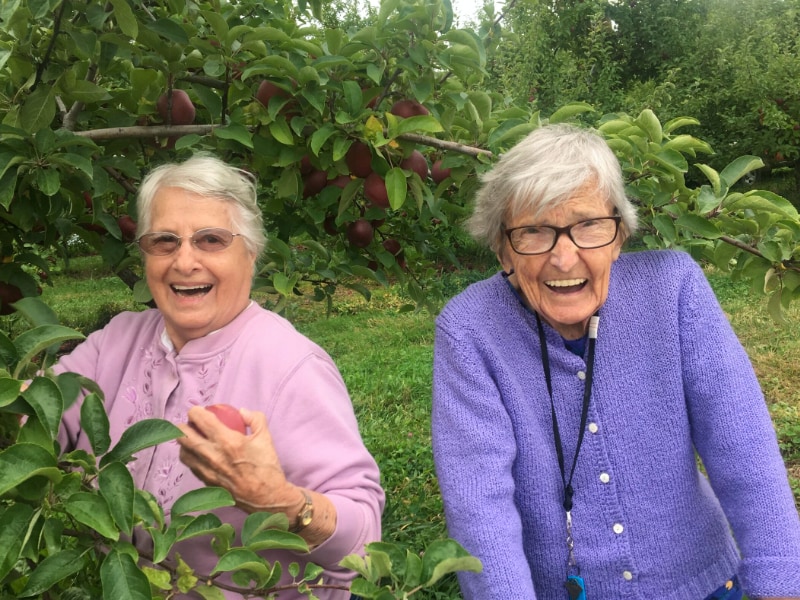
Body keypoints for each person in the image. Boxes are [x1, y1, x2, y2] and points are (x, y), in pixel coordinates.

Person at [431, 123, 800, 600]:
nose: (564, 258)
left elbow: (742, 445)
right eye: (534, 231)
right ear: (503, 248)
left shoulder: (673, 288)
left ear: (619, 234)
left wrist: (781, 581)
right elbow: (479, 508)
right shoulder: (469, 330)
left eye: (588, 225)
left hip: (704, 584)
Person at [56, 154, 384, 599]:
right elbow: (40, 412)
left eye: (211, 240)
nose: (184, 261)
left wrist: (282, 501)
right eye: (164, 241)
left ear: (251, 253)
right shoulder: (117, 340)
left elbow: (365, 544)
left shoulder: (291, 367)